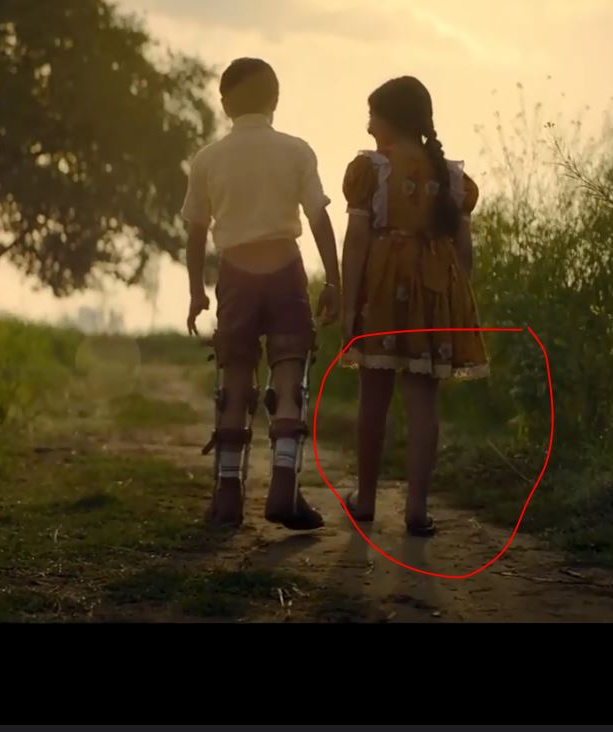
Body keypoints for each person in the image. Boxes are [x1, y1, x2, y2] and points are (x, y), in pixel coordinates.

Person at [181, 58, 341, 530]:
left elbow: (196, 231)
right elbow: (318, 217)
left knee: (235, 376)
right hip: (284, 267)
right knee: (289, 374)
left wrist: (196, 291)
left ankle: (228, 493)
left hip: (236, 272)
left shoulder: (207, 159)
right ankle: (284, 485)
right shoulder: (296, 151)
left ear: (224, 104)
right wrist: (334, 281)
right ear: (275, 100)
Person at [339, 75, 490, 537]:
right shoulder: (451, 178)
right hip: (434, 292)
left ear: (391, 120)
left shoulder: (370, 170)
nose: (368, 127)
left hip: (383, 292)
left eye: (372, 117)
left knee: (374, 396)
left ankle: (366, 500)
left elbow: (357, 241)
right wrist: (454, 302)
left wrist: (348, 304)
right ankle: (417, 508)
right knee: (424, 401)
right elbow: (463, 253)